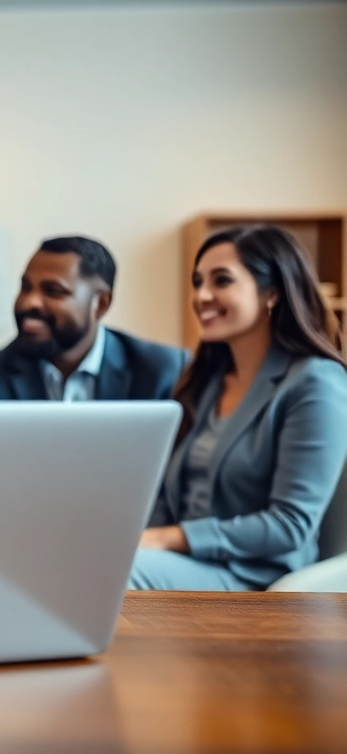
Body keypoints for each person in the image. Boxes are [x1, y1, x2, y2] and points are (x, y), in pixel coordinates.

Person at [131, 224, 347, 591]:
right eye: (197, 282)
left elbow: (290, 524)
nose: (202, 296)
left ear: (272, 293)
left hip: (255, 576)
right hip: (184, 564)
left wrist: (168, 538)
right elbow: (168, 495)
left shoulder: (316, 382)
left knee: (118, 572)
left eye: (222, 280)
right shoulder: (206, 380)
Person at [0, 236, 187, 402]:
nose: (30, 302)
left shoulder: (164, 370)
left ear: (101, 304)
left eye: (53, 291)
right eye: (25, 287)